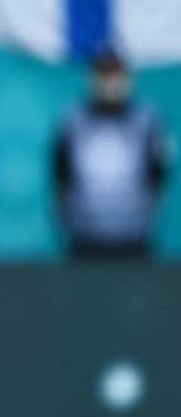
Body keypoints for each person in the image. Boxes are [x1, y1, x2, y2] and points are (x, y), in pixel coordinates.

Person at [53, 48, 171, 259]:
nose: (110, 83)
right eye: (104, 75)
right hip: (84, 239)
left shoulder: (146, 121)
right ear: (93, 79)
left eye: (116, 74)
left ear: (127, 79)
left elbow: (158, 175)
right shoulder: (74, 121)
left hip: (135, 238)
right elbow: (61, 175)